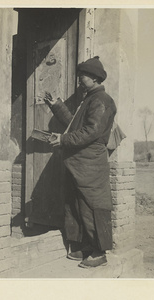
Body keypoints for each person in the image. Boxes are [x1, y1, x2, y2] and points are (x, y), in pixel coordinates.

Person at [44, 56, 117, 268]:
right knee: (75, 205)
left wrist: (63, 139)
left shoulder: (102, 101)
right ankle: (81, 247)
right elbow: (75, 126)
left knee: (92, 206)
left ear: (94, 78)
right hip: (78, 163)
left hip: (90, 165)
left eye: (82, 76)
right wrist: (56, 106)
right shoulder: (89, 99)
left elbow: (91, 131)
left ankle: (99, 252)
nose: (79, 80)